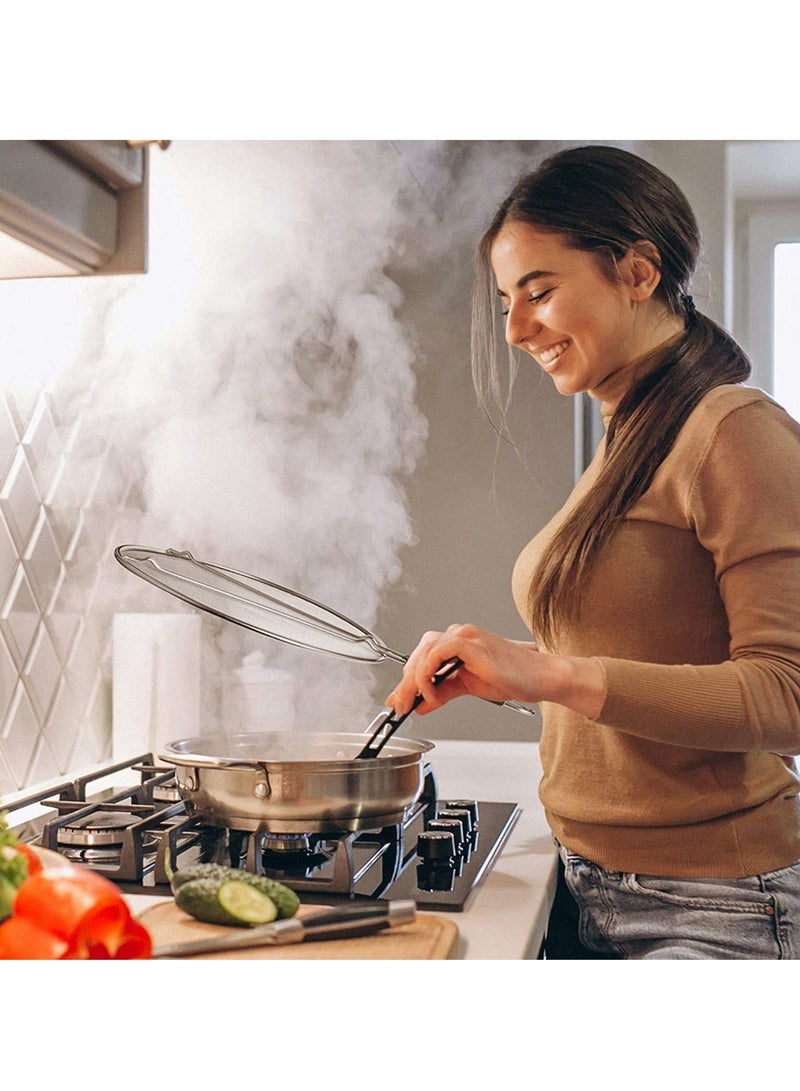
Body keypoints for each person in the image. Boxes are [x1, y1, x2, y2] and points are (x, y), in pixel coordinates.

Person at [386, 144, 800, 960]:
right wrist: (506, 664)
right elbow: (645, 649)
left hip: (716, 909)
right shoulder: (629, 437)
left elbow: (789, 693)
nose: (514, 328)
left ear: (639, 271)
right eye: (507, 300)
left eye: (538, 292)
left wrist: (550, 673)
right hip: (593, 883)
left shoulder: (734, 430)